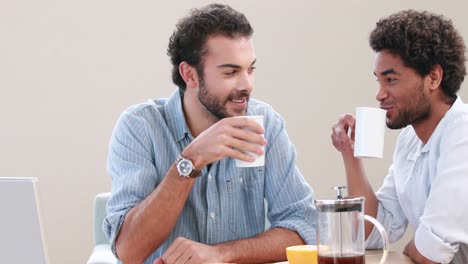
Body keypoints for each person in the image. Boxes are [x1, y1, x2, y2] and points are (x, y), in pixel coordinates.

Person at [104, 4, 316, 264]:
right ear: (190, 75)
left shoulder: (265, 123)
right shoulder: (140, 127)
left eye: (250, 69)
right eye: (230, 72)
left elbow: (304, 226)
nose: (246, 85)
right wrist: (191, 160)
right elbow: (129, 251)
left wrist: (222, 254)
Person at [331, 10, 468, 264]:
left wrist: (415, 249)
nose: (379, 94)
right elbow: (372, 234)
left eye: (391, 80)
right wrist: (350, 154)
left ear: (434, 78)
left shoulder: (463, 137)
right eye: (379, 81)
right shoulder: (410, 140)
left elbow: (430, 254)